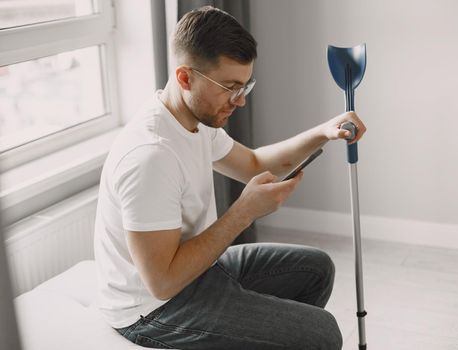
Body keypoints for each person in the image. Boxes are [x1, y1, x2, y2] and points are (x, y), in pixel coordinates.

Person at [94, 6, 366, 350]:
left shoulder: (193, 121)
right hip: (152, 309)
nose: (239, 101)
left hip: (195, 275)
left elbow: (253, 163)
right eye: (229, 87)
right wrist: (244, 212)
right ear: (184, 77)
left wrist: (324, 132)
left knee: (316, 268)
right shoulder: (151, 156)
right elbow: (161, 283)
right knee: (322, 333)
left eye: (245, 86)